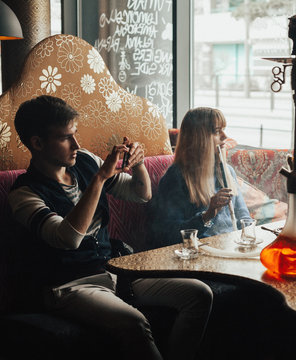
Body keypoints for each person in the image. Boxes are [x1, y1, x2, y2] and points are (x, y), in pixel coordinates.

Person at [8, 95, 213, 360]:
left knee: (199, 294)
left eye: (76, 134)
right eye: (65, 137)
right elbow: (68, 238)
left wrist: (138, 164)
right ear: (37, 143)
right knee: (135, 322)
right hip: (69, 286)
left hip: (114, 269)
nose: (76, 144)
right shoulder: (24, 194)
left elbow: (140, 194)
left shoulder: (84, 161)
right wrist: (100, 177)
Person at [148, 107, 251, 248]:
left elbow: (244, 219)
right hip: (199, 253)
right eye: (216, 131)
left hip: (229, 248)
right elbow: (167, 235)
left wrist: (250, 237)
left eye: (223, 129)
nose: (225, 136)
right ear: (198, 139)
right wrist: (208, 214)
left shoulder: (227, 172)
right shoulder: (176, 177)